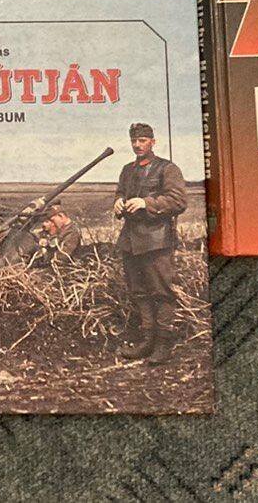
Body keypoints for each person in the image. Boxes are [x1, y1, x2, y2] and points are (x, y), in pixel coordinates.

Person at [113, 122, 187, 365]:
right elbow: (121, 192)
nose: (137, 145)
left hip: (156, 241)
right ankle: (147, 340)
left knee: (161, 292)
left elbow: (178, 201)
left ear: (153, 142)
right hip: (130, 241)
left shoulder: (167, 169)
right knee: (139, 292)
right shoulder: (127, 170)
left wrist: (147, 203)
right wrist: (118, 202)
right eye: (134, 141)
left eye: (143, 140)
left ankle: (163, 343)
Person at [32, 203, 82, 267]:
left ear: (61, 216)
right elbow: (54, 241)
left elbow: (64, 255)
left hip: (66, 266)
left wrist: (45, 259)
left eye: (53, 220)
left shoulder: (72, 232)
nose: (53, 223)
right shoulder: (62, 230)